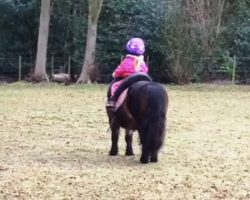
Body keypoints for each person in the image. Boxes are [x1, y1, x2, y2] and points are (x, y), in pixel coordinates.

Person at [107, 38, 148, 108]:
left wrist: (115, 74)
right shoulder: (142, 62)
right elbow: (145, 70)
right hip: (141, 80)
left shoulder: (128, 60)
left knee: (114, 86)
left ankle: (113, 100)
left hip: (129, 80)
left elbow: (120, 71)